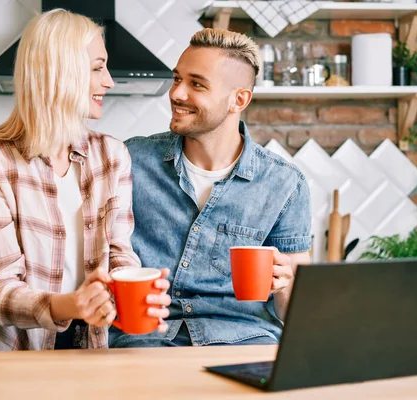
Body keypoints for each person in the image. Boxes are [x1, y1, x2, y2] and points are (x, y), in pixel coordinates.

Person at [0, 9, 171, 352]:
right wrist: (71, 304)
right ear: (61, 71)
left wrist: (130, 293)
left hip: (79, 339)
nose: (109, 81)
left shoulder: (112, 156)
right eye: (98, 67)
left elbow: (120, 256)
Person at [109, 28, 312, 348]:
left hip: (245, 338)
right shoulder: (130, 160)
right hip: (146, 338)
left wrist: (285, 286)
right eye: (177, 79)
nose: (176, 93)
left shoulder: (284, 183)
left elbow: (297, 313)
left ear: (239, 100)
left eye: (197, 84)